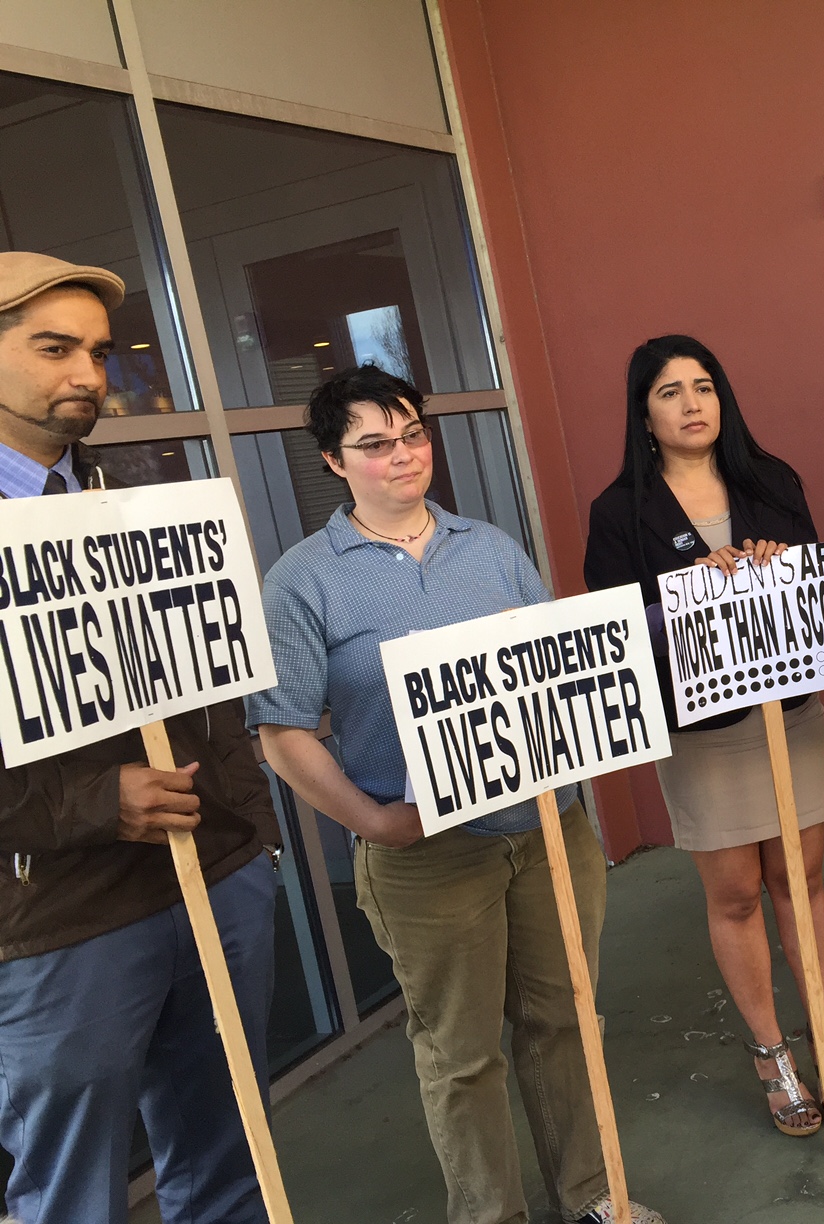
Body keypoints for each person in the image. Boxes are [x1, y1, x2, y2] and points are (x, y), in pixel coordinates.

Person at [249, 366, 662, 1224]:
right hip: (426, 855)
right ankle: (490, 1216)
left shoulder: (491, 547)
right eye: (374, 444)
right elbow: (282, 731)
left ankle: (593, 1196)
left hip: (548, 828)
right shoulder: (302, 580)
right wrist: (372, 822)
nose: (401, 456)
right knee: (461, 1055)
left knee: (564, 1022)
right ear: (334, 462)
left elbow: (559, 667)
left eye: (412, 435)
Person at [0, 251, 280, 1224]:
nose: (87, 373)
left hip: (212, 877)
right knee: (73, 1193)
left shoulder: (138, 494)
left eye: (98, 351)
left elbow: (217, 683)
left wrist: (249, 834)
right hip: (59, 918)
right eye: (52, 348)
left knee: (229, 1154)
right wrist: (91, 802)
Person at [584, 335, 824, 1137]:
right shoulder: (618, 510)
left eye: (703, 386)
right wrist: (688, 594)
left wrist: (781, 567)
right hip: (703, 727)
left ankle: (822, 1034)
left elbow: (819, 591)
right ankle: (771, 1054)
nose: (691, 403)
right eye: (670, 391)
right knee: (736, 889)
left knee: (801, 878)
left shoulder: (773, 481)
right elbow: (616, 625)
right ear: (643, 414)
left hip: (790, 710)